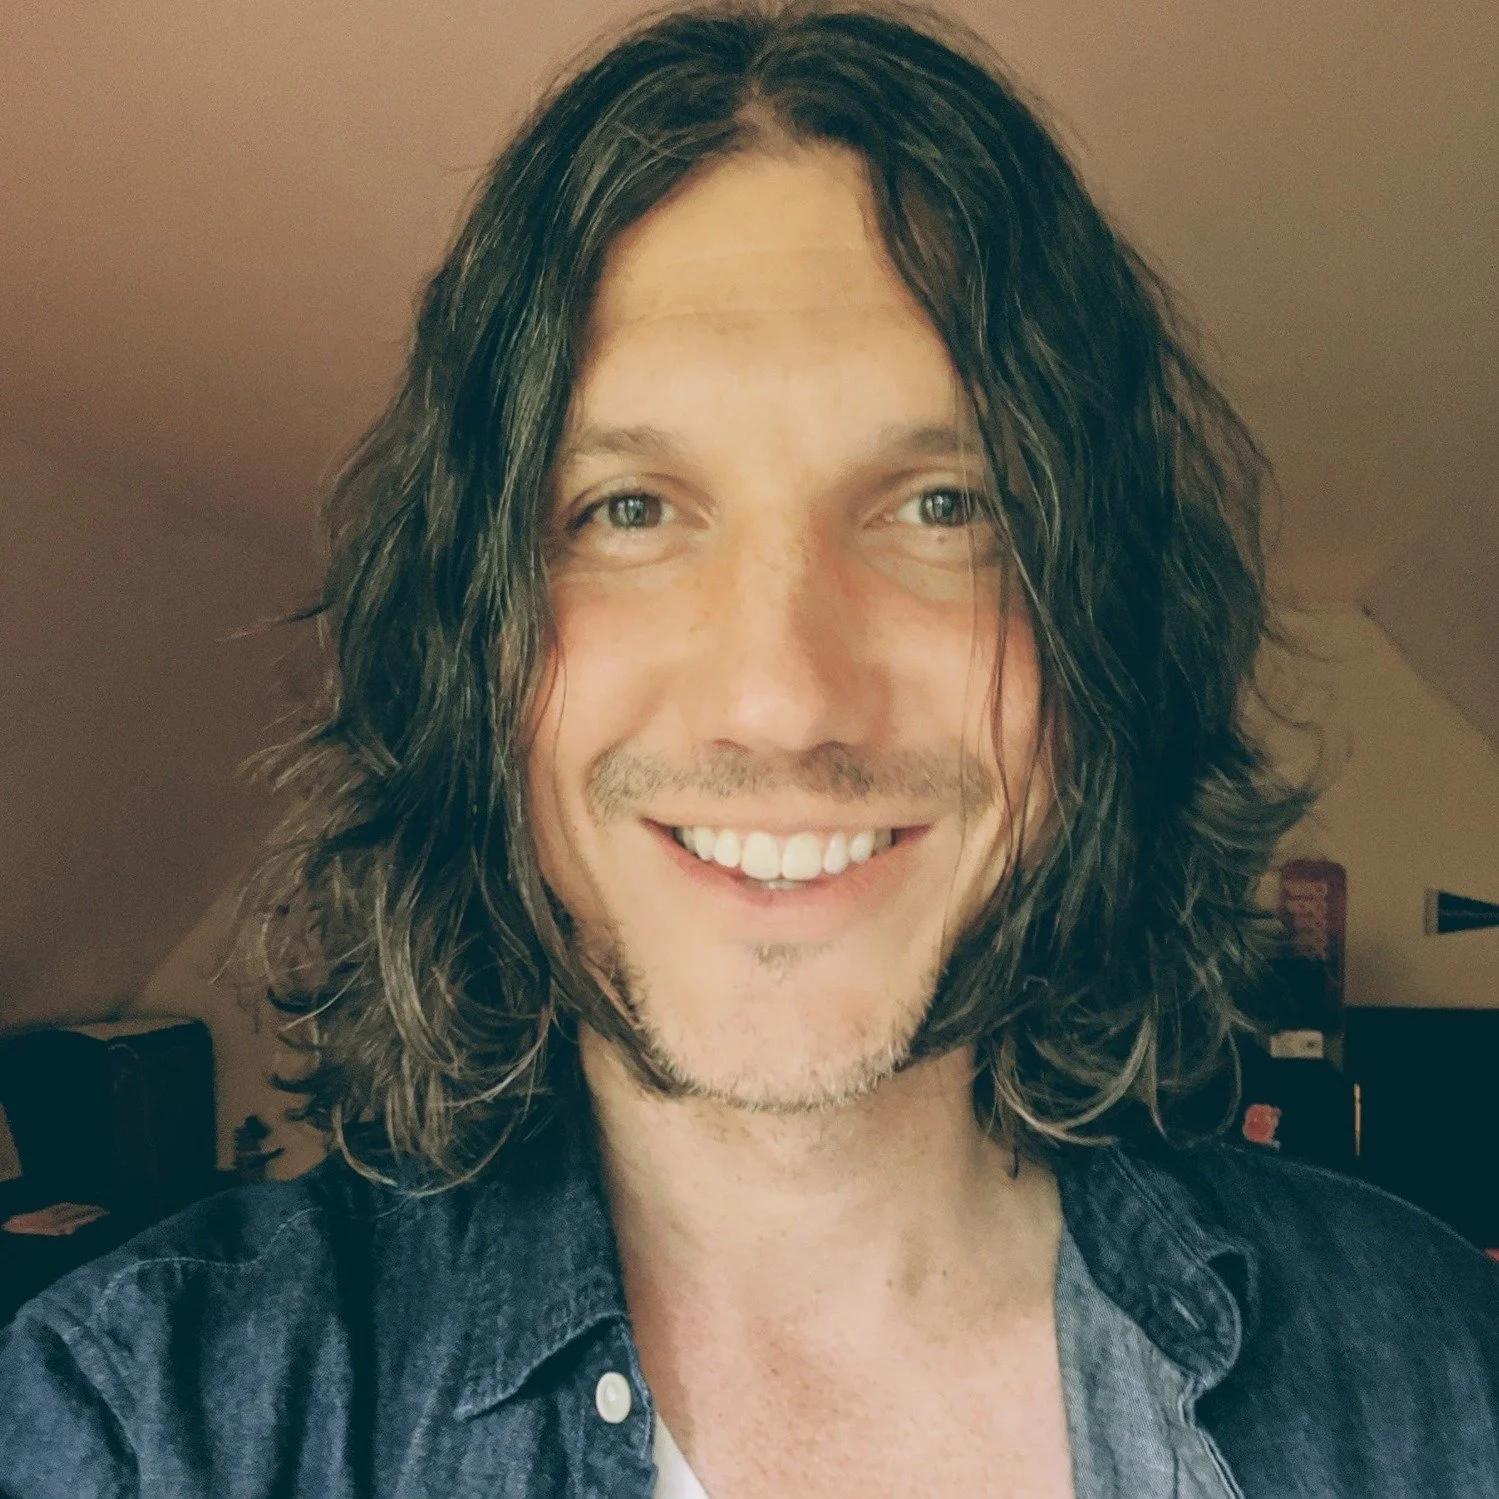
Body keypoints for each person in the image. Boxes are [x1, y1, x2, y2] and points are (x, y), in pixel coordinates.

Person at [3, 4, 1496, 1496]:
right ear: (472, 646)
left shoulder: (1438, 1371)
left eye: (943, 507)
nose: (783, 700)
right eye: (630, 511)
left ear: (1104, 624)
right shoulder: (137, 1425)